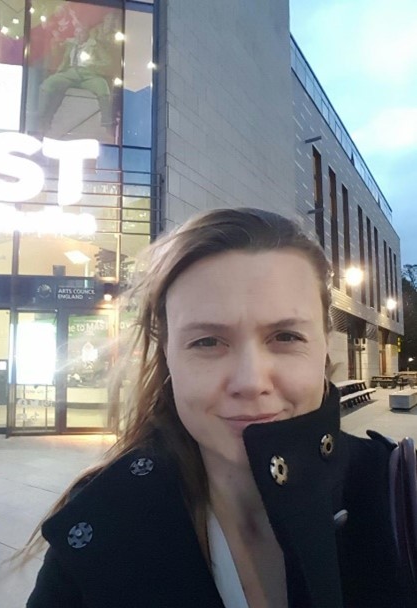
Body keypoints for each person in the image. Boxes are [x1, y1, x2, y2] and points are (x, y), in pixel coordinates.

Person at [25, 208, 416, 607]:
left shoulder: (397, 497)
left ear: (323, 346)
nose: (250, 382)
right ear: (167, 356)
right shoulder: (100, 528)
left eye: (285, 336)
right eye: (208, 342)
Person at [36, 12, 121, 136]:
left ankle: (108, 125)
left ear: (87, 33)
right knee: (47, 85)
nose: (79, 35)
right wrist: (55, 44)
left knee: (103, 88)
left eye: (82, 32)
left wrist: (92, 64)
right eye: (77, 32)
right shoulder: (71, 44)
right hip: (70, 73)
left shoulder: (95, 45)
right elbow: (59, 56)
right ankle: (42, 120)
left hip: (89, 75)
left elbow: (108, 62)